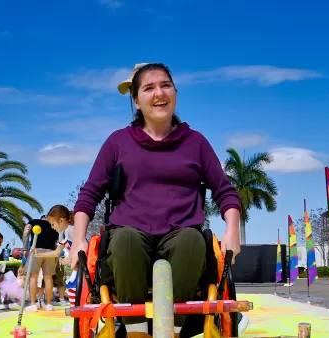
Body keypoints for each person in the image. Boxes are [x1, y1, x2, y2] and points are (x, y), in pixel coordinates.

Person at [70, 62, 242, 338]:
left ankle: (174, 330)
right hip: (130, 232)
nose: (159, 93)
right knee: (125, 240)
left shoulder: (196, 142)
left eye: (165, 85)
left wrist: (232, 230)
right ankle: (136, 331)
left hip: (181, 232)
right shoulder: (118, 142)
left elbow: (225, 191)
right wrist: (79, 239)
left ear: (175, 92)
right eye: (149, 88)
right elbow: (90, 193)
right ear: (137, 101)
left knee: (191, 240)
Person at [23, 208, 69, 312]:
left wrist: (25, 248)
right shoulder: (55, 226)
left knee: (33, 277)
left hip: (36, 250)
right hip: (50, 252)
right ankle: (48, 304)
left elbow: (26, 232)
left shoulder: (34, 222)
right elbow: (57, 242)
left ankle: (33, 304)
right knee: (48, 278)